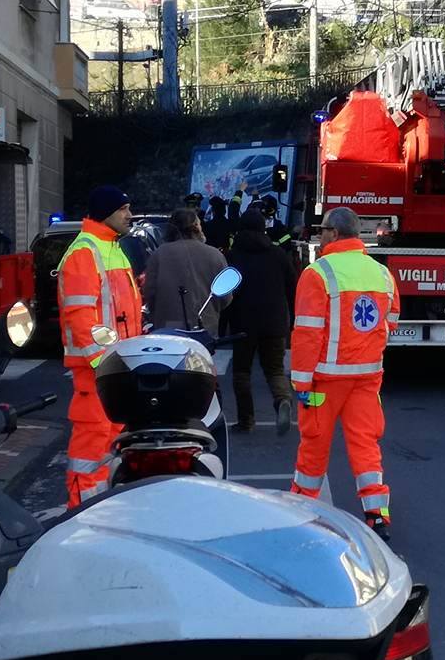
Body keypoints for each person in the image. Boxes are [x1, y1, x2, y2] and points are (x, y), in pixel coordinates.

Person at [289, 206, 400, 541]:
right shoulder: (381, 273)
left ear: (334, 233)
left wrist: (300, 381)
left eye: (322, 230)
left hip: (324, 379)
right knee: (365, 444)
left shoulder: (318, 273)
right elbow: (391, 321)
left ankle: (301, 508)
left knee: (314, 445)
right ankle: (377, 515)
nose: (320, 236)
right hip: (366, 376)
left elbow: (308, 333)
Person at [57, 185, 143, 508]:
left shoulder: (111, 248)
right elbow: (82, 318)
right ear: (106, 212)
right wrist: (104, 363)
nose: (129, 215)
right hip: (99, 372)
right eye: (123, 209)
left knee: (109, 447)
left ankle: (102, 512)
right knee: (91, 452)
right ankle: (80, 514)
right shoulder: (85, 252)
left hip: (113, 370)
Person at [223, 211, 300, 435]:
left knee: (241, 372)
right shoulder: (277, 254)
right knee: (275, 369)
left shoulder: (233, 256)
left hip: (243, 322)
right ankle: (282, 399)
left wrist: (223, 322)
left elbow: (225, 292)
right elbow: (292, 288)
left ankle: (246, 420)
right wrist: (292, 317)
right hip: (274, 321)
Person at [142, 207, 232, 333]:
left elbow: (149, 293)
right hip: (204, 325)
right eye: (199, 224)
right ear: (195, 226)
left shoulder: (159, 254)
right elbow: (225, 297)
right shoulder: (214, 254)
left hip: (168, 326)